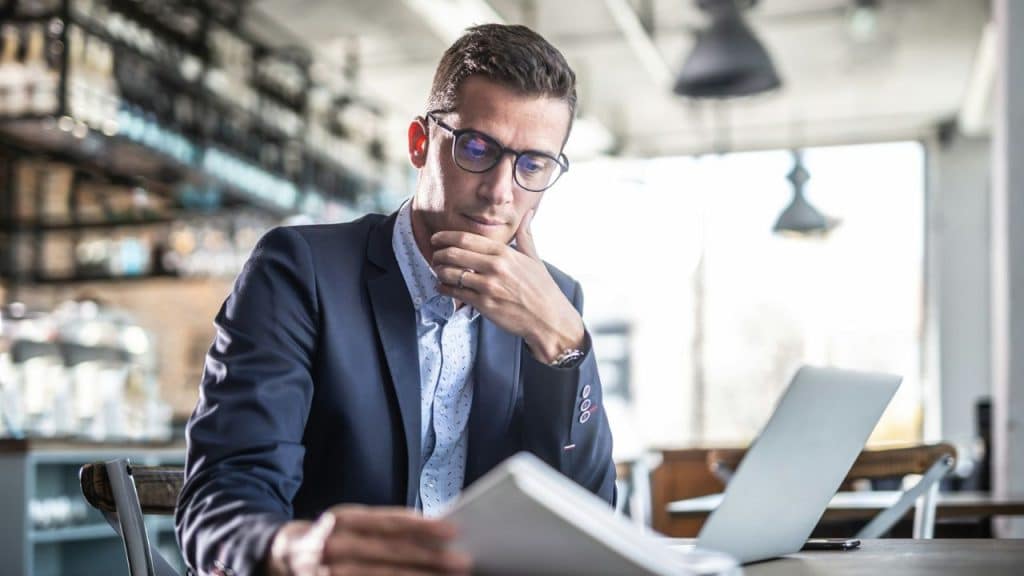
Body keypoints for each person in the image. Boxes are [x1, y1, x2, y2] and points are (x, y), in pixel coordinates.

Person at [175, 23, 615, 576]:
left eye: (533, 165)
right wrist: (298, 553)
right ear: (420, 142)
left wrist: (565, 344)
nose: (502, 190)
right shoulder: (299, 272)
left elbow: (592, 522)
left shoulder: (555, 302)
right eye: (478, 147)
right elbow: (223, 497)